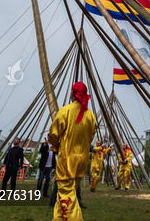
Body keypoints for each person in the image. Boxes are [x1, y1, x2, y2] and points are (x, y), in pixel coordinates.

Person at [49, 82, 96, 221]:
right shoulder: (90, 115)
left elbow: (54, 134)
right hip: (81, 160)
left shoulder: (65, 111)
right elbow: (90, 137)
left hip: (67, 159)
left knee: (66, 195)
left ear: (73, 93)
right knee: (68, 192)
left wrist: (56, 146)